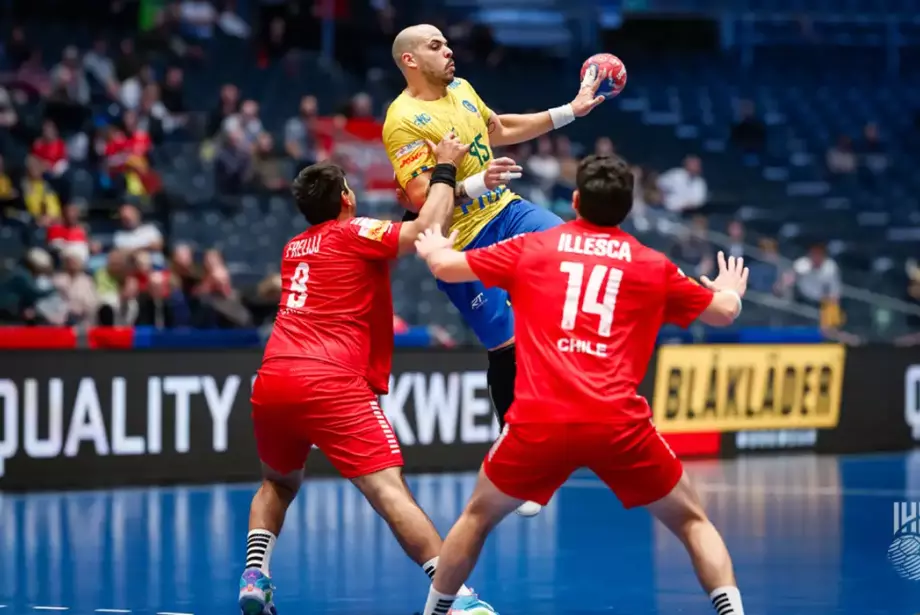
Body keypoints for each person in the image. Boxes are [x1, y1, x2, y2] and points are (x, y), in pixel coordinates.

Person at [413, 154, 750, 615]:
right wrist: (728, 288)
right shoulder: (650, 265)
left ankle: (434, 613)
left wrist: (433, 244)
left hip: (539, 422)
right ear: (628, 208)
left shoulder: (535, 248)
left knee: (476, 517)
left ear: (575, 201)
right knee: (692, 522)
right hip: (619, 424)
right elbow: (723, 313)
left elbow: (447, 268)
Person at [238, 133, 518, 615]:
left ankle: (255, 574)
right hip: (330, 380)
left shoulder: (294, 248)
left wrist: (469, 188)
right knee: (389, 490)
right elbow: (425, 231)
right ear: (347, 197)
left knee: (277, 483)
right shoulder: (355, 231)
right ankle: (456, 601)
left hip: (274, 376)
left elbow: (413, 224)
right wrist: (446, 168)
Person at [383, 24, 606, 518]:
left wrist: (572, 110)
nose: (449, 51)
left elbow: (498, 128)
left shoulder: (461, 89)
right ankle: (516, 457)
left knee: (570, 248)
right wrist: (476, 183)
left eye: (447, 42)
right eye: (436, 46)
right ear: (410, 61)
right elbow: (423, 202)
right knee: (503, 343)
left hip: (508, 212)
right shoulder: (402, 120)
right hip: (458, 241)